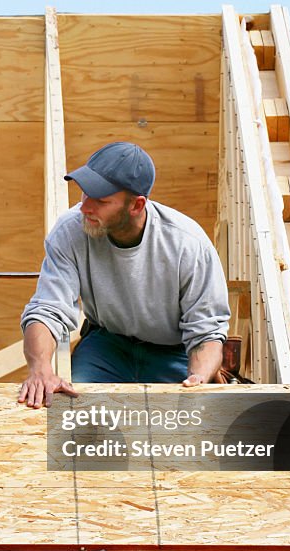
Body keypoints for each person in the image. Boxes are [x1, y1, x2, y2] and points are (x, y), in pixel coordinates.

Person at [18, 142, 230, 408]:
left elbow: (206, 333)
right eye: (85, 193)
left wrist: (198, 379)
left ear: (137, 205)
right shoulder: (70, 231)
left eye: (101, 201)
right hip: (106, 345)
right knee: (71, 410)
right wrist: (40, 370)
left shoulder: (188, 244)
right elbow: (48, 309)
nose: (85, 207)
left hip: (173, 351)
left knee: (185, 418)